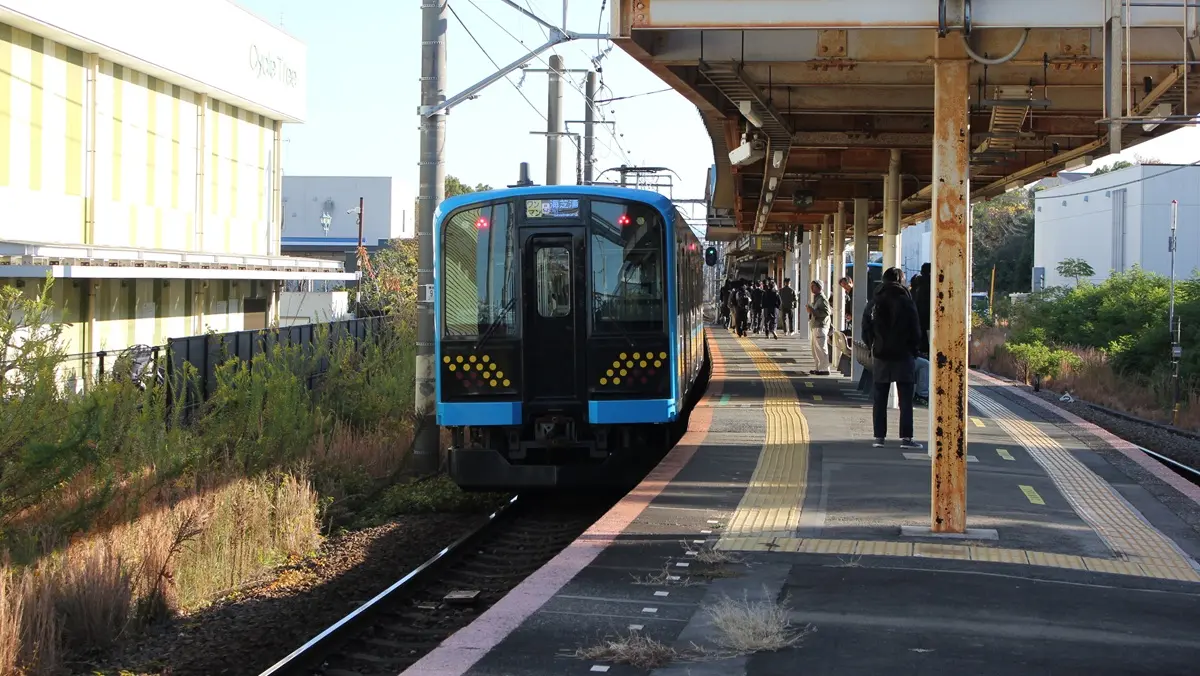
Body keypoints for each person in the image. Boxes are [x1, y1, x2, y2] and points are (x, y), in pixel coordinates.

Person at [862, 267, 923, 449]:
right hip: (904, 356)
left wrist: (872, 345)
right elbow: (915, 329)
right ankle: (906, 438)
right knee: (905, 399)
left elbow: (866, 327)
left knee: (879, 398)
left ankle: (879, 438)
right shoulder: (906, 300)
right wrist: (914, 349)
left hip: (881, 355)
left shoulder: (874, 301)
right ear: (900, 280)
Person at [806, 280, 832, 375]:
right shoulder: (817, 298)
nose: (811, 288)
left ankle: (824, 369)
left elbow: (827, 312)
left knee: (821, 348)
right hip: (816, 326)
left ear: (819, 287)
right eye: (811, 286)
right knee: (815, 349)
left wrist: (812, 311)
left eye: (813, 286)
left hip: (820, 326)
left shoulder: (822, 299)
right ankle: (818, 368)